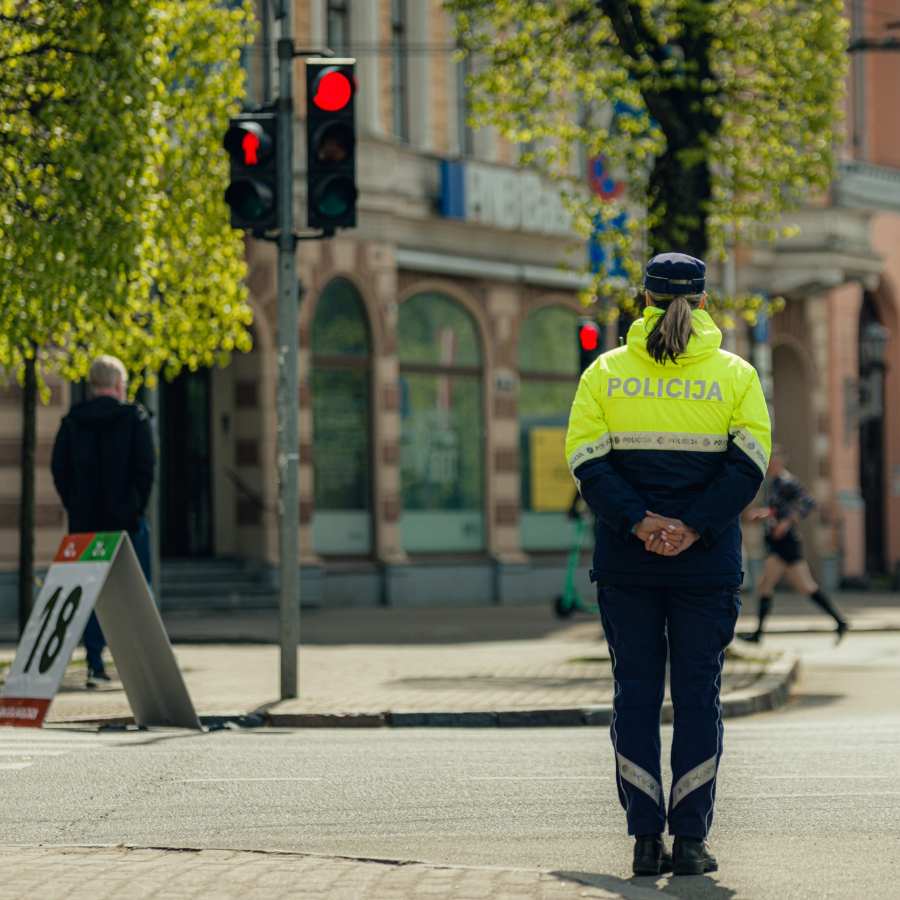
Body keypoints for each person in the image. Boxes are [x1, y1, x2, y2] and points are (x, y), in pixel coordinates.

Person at [566, 253, 771, 876]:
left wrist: (639, 522)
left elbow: (587, 463)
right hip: (704, 567)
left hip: (627, 564)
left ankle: (644, 840)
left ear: (643, 301)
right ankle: (689, 842)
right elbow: (749, 467)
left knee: (634, 697)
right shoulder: (736, 375)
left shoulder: (604, 373)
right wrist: (692, 528)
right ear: (704, 302)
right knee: (697, 699)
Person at [51, 355, 155, 687]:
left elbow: (60, 470)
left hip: (85, 523)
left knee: (90, 591)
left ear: (94, 385)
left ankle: (95, 665)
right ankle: (140, 668)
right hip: (127, 520)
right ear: (119, 384)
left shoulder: (71, 422)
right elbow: (145, 468)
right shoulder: (135, 418)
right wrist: (137, 508)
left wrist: (74, 504)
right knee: (138, 592)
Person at [745, 446, 848, 643]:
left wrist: (787, 522)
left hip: (785, 543)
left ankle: (758, 634)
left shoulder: (787, 481)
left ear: (778, 461)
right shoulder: (773, 483)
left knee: (773, 585)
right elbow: (779, 509)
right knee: (799, 587)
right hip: (779, 543)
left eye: (770, 459)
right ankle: (840, 621)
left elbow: (809, 502)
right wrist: (764, 515)